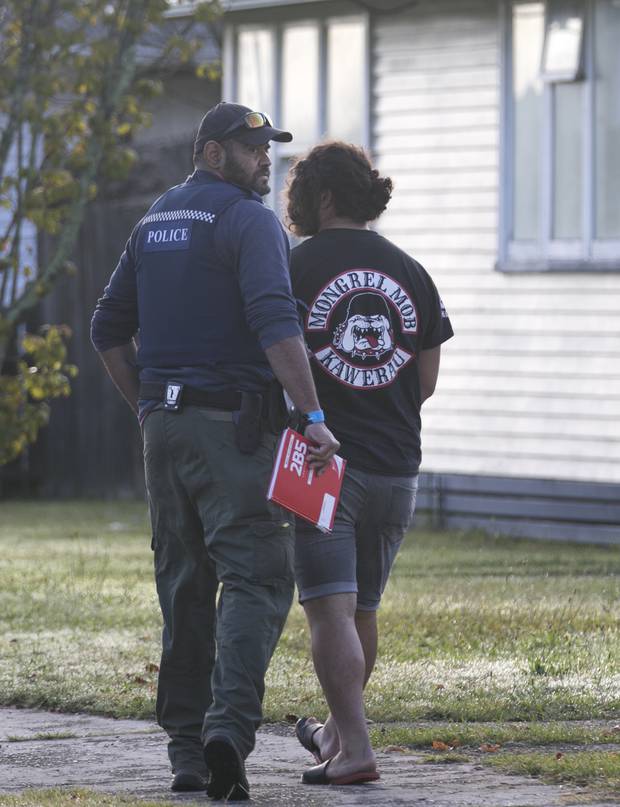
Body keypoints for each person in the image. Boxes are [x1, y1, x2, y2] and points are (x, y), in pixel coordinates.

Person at [90, 102, 339, 801]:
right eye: (250, 148)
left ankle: (185, 753)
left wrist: (147, 406)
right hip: (232, 430)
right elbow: (273, 318)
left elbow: (107, 328)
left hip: (163, 433)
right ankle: (226, 730)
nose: (265, 160)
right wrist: (313, 414)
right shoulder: (248, 220)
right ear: (211, 154)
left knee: (184, 584)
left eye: (268, 148)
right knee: (257, 577)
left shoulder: (154, 219)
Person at [285, 142, 454, 786]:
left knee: (329, 610)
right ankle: (334, 731)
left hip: (323, 466)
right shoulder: (410, 271)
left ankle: (355, 749)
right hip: (399, 467)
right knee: (362, 611)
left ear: (323, 198)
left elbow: (273, 350)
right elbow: (426, 378)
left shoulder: (296, 269)